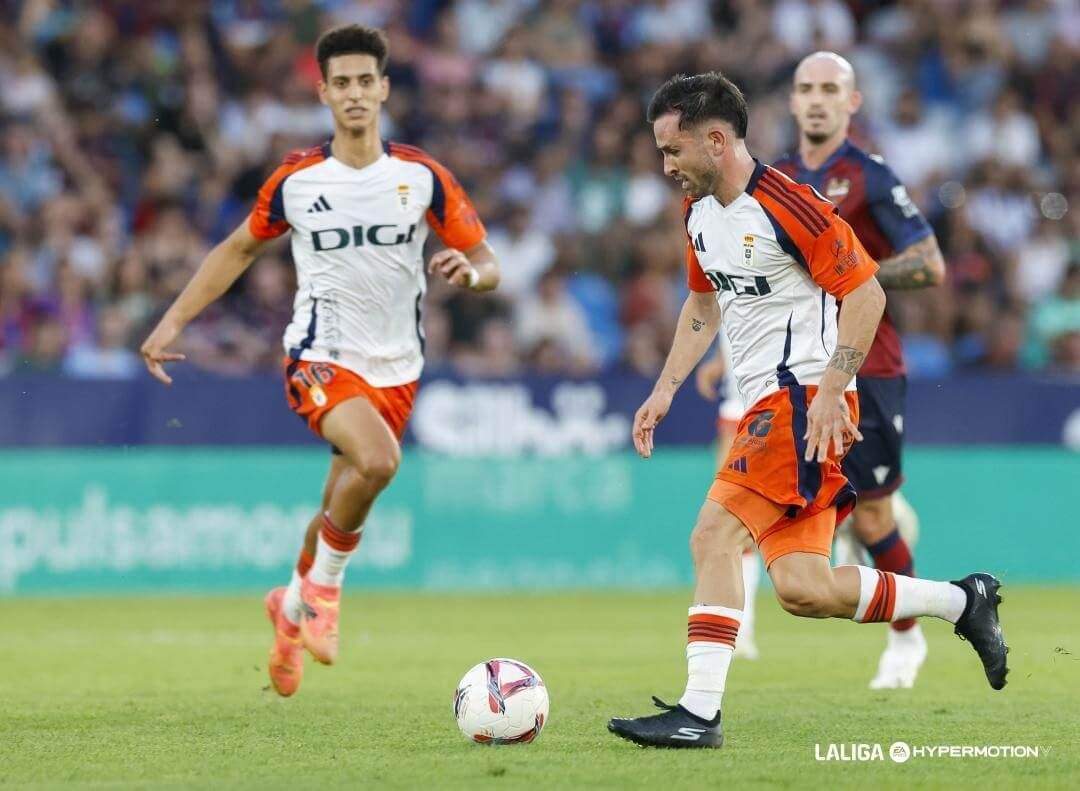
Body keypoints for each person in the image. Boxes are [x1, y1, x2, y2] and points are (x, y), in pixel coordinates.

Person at [607, 71, 1008, 750]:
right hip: (776, 401)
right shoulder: (699, 213)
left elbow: (866, 295)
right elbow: (704, 307)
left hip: (795, 401)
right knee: (804, 588)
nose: (665, 166)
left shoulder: (791, 205)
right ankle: (963, 601)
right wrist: (665, 388)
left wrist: (830, 388)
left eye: (672, 151)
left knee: (712, 537)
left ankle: (698, 713)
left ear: (714, 139)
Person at [140, 25, 501, 697]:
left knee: (342, 497)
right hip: (320, 355)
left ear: (385, 88)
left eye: (367, 80)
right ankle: (325, 594)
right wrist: (173, 319)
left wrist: (469, 275)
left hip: (398, 368)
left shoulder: (421, 177)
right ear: (324, 92)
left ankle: (289, 608)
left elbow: (489, 264)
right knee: (379, 462)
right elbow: (236, 250)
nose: (356, 93)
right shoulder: (299, 180)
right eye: (343, 83)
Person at [774, 51, 947, 688]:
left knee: (875, 517)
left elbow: (929, 264)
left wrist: (857, 274)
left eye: (830, 89)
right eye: (805, 89)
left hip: (869, 367)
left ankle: (906, 640)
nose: (816, 99)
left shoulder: (869, 176)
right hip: (794, 368)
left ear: (852, 103)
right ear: (792, 102)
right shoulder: (776, 181)